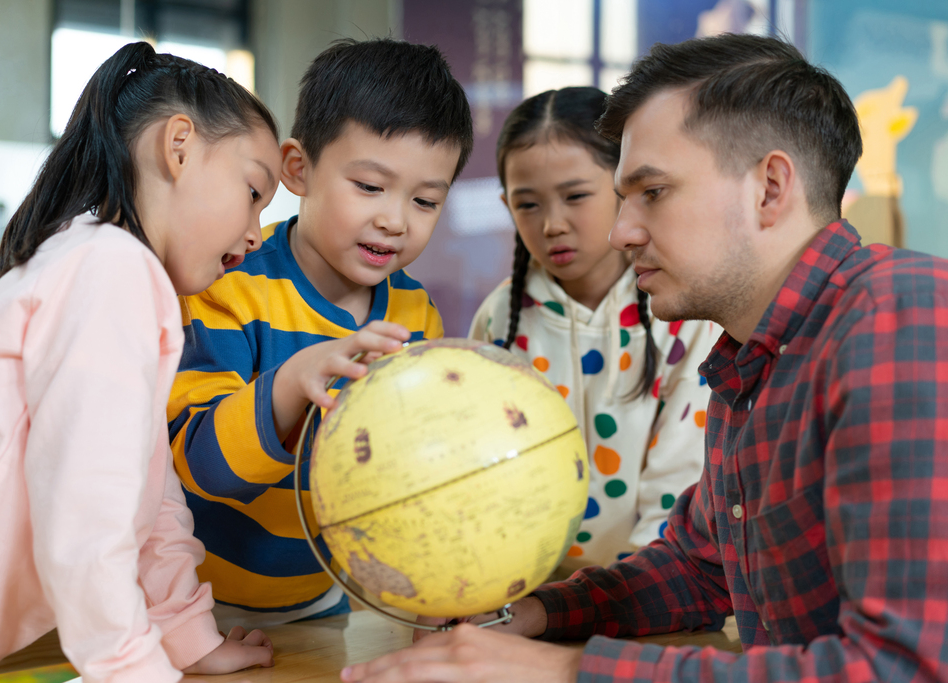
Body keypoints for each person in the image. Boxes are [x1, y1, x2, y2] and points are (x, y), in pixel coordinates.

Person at [341, 32, 948, 683]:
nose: (621, 230)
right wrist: (527, 617)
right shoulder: (752, 362)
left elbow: (903, 665)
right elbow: (695, 566)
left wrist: (564, 671)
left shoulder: (898, 314)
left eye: (652, 192)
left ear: (770, 188)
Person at [0, 42, 281, 683]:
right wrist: (131, 668)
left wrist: (186, 639)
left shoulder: (110, 271)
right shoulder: (110, 270)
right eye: (253, 191)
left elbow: (150, 493)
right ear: (179, 147)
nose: (257, 231)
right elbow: (87, 511)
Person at [167, 37, 473, 631]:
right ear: (298, 169)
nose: (395, 219)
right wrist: (290, 384)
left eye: (425, 200)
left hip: (323, 604)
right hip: (194, 608)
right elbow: (198, 465)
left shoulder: (416, 315)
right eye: (369, 187)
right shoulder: (228, 283)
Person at [469, 86, 717, 568]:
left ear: (624, 186)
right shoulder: (500, 320)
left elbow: (679, 477)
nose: (552, 224)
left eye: (575, 196)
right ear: (505, 204)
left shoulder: (681, 313)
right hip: (527, 594)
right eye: (528, 204)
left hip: (652, 589)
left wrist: (637, 588)